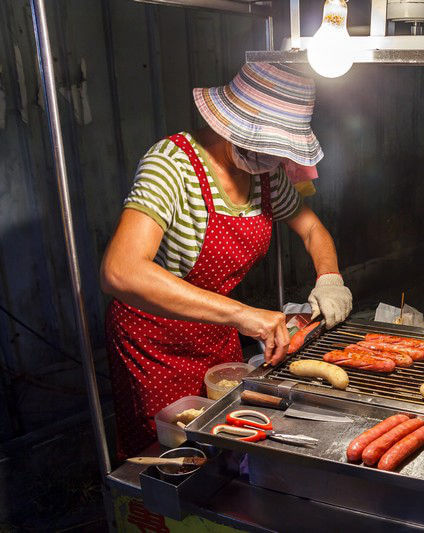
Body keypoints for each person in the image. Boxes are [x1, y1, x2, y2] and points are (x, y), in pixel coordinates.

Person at [100, 63, 352, 457]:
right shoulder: (171, 163)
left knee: (227, 435)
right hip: (154, 340)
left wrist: (330, 278)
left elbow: (312, 230)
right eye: (268, 147)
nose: (275, 159)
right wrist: (241, 314)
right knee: (171, 450)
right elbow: (121, 270)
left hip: (216, 331)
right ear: (231, 125)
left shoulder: (266, 174)